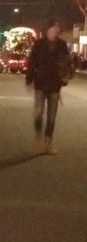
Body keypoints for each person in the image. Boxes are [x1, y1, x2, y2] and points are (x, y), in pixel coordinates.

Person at [26, 19, 73, 155]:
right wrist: (29, 80)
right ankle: (37, 136)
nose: (56, 30)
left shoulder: (62, 45)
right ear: (48, 29)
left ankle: (48, 143)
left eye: (57, 28)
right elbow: (32, 62)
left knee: (52, 116)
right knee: (38, 112)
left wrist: (65, 80)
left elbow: (66, 64)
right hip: (40, 83)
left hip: (55, 85)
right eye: (54, 28)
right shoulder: (39, 44)